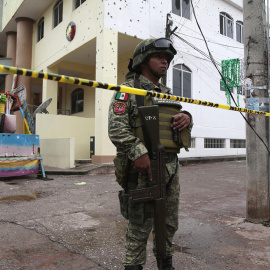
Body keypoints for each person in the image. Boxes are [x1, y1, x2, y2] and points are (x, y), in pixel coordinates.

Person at [108, 38, 193, 270]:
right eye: (159, 57)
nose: (165, 61)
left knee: (168, 224)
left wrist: (187, 117)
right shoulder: (128, 90)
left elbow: (172, 124)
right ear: (144, 61)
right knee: (139, 227)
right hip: (144, 169)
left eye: (167, 58)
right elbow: (116, 128)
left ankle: (166, 264)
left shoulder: (166, 93)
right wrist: (138, 153)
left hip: (170, 167)